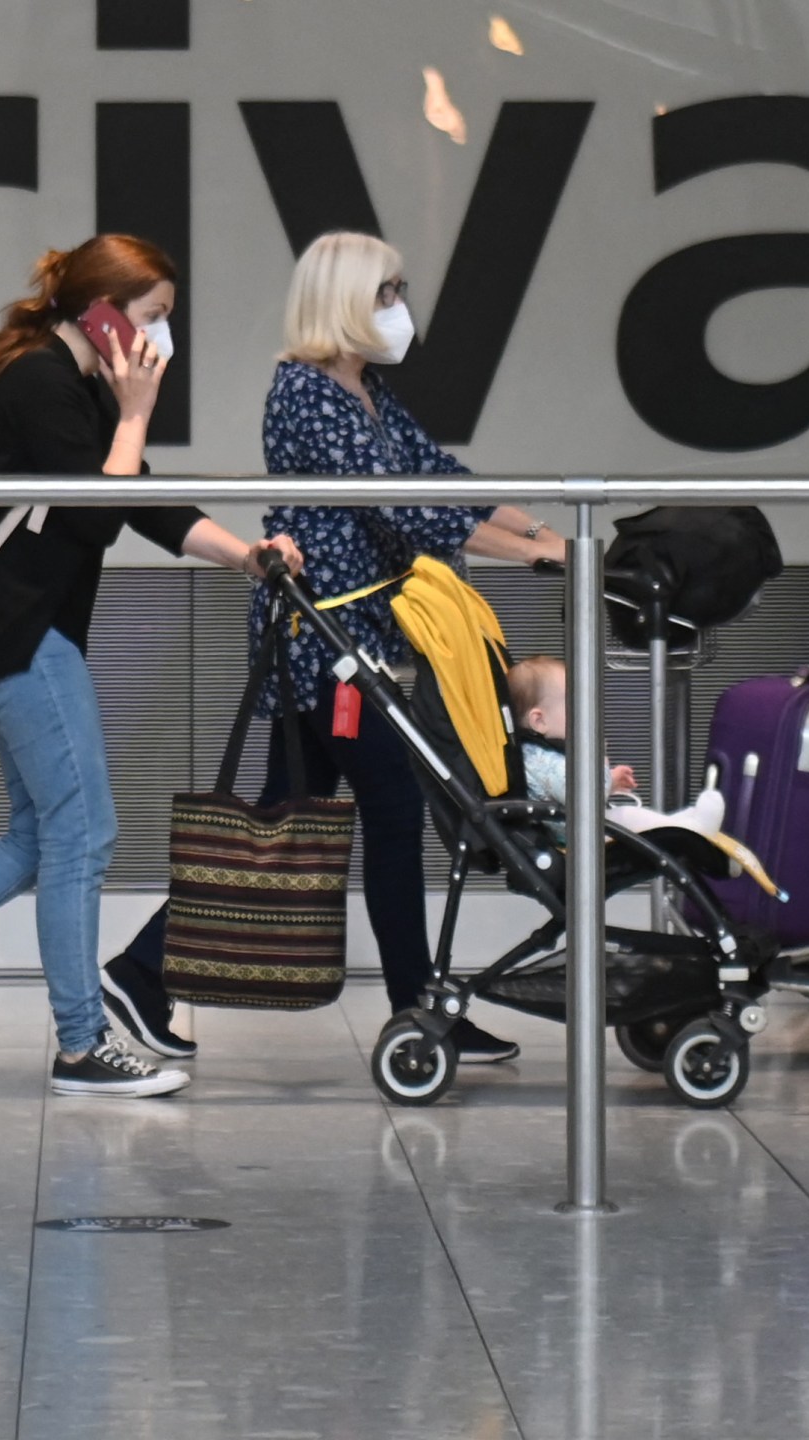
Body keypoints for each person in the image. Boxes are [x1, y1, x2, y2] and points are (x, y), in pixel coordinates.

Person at [0, 236, 303, 1099]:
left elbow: (142, 500)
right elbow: (96, 514)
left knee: (38, 840)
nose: (160, 340)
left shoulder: (66, 385)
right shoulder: (39, 381)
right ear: (104, 313)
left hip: (14, 636)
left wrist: (246, 556)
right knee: (85, 833)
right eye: (152, 317)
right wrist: (134, 412)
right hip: (18, 637)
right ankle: (82, 1045)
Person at [99, 231, 561, 1064]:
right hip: (325, 646)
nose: (399, 308)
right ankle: (420, 1008)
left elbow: (440, 480)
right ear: (343, 300)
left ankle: (141, 971)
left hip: (359, 639)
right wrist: (536, 553)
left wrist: (540, 526)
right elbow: (409, 516)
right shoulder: (304, 394)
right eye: (385, 293)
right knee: (387, 807)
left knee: (277, 820)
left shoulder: (365, 390)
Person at [508, 655, 726, 838]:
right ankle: (690, 831)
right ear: (539, 721)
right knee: (627, 817)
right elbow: (585, 794)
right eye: (573, 706)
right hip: (579, 837)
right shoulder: (539, 760)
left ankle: (688, 825)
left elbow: (571, 786)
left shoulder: (540, 754)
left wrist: (610, 781)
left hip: (578, 828)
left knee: (629, 817)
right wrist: (599, 758)